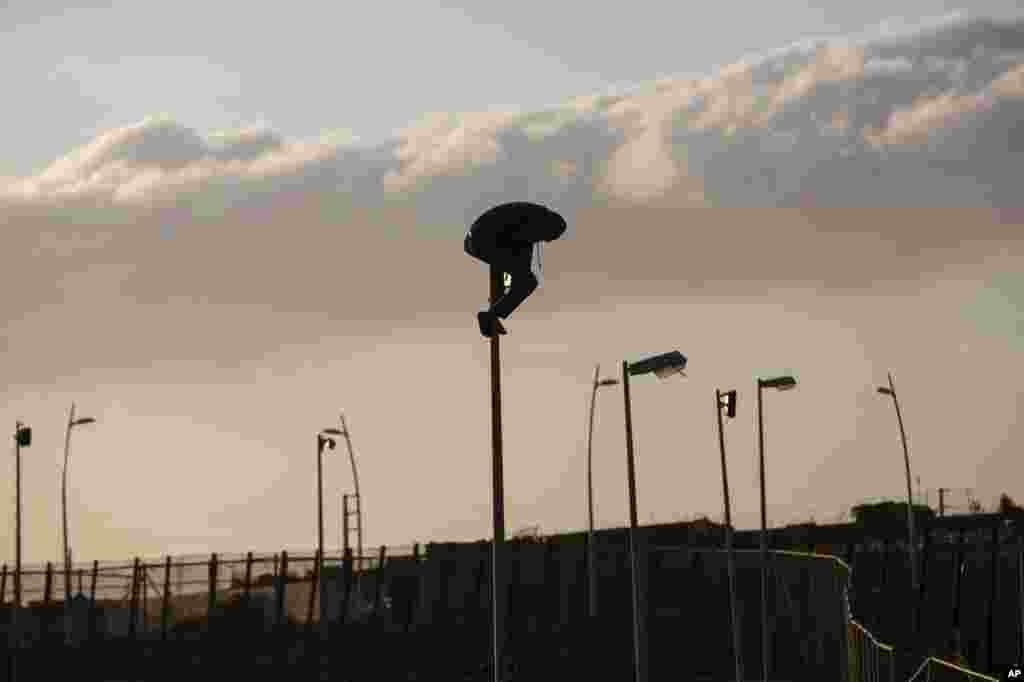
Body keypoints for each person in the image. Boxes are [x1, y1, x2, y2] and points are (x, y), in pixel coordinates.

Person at [464, 201, 567, 337]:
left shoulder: (532, 215)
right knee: (528, 282)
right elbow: (520, 265)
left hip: (476, 240)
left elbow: (514, 264)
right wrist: (509, 290)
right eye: (550, 237)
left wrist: (504, 291)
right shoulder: (532, 225)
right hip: (485, 241)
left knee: (513, 274)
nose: (547, 241)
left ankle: (495, 309)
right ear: (549, 227)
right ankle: (490, 316)